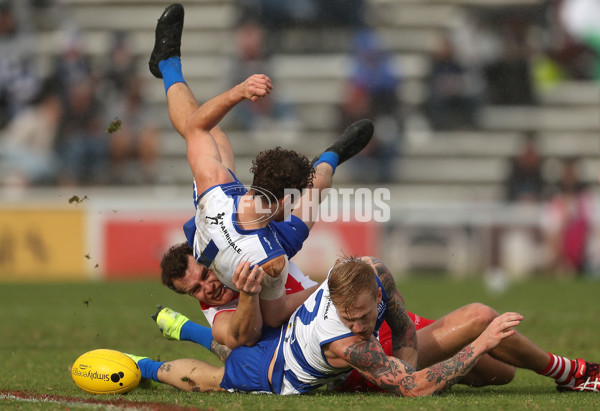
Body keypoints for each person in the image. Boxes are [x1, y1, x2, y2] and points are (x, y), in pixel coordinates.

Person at [148, 4, 373, 331]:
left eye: (203, 281)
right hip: (245, 228)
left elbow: (197, 126)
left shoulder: (220, 199)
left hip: (224, 212)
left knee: (206, 131)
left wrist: (240, 92)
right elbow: (254, 327)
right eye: (198, 288)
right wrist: (325, 290)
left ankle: (168, 64)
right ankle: (330, 158)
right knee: (315, 186)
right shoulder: (271, 258)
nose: (209, 289)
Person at [151, 255, 600, 393]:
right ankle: (573, 374)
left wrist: (407, 364)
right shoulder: (348, 342)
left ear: (374, 287)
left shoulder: (375, 272)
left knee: (500, 375)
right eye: (351, 319)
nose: (362, 324)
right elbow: (414, 389)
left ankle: (183, 329)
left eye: (365, 314)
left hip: (295, 340)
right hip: (278, 371)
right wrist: (476, 344)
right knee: (216, 375)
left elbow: (402, 325)